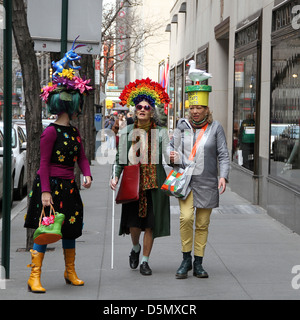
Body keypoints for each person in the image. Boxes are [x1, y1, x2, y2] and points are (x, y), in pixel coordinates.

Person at [24, 49, 93, 293]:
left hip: (69, 188)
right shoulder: (50, 132)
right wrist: (45, 192)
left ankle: (69, 271)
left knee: (70, 229)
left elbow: (82, 157)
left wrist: (87, 174)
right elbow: (42, 164)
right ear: (71, 104)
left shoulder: (73, 132)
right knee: (46, 230)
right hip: (50, 188)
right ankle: (35, 276)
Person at [110, 78, 171, 276]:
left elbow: (167, 157)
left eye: (147, 106)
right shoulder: (127, 131)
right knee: (134, 224)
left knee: (150, 225)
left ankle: (145, 261)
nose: (143, 109)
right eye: (139, 106)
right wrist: (115, 176)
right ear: (135, 110)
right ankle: (135, 248)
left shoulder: (161, 132)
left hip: (154, 184)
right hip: (133, 183)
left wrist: (173, 157)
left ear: (152, 111)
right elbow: (120, 158)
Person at [170, 83, 230, 279]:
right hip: (186, 182)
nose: (195, 112)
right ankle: (185, 258)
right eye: (192, 108)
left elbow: (223, 154)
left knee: (203, 223)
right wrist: (171, 156)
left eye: (199, 108)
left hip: (207, 182)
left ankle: (198, 262)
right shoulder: (182, 126)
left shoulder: (215, 128)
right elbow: (171, 148)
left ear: (206, 109)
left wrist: (223, 175)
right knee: (186, 218)